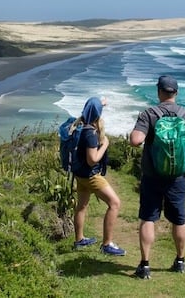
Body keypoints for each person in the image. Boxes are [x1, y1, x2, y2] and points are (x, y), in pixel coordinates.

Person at [129, 75, 185, 279]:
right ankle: (180, 261)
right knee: (179, 220)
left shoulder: (149, 114)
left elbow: (135, 140)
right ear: (176, 93)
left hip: (152, 176)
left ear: (159, 92)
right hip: (177, 178)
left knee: (148, 218)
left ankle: (145, 265)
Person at [72, 96, 126, 256]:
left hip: (79, 174)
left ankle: (79, 240)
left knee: (81, 206)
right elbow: (92, 160)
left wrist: (101, 102)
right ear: (97, 113)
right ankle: (107, 244)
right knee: (114, 203)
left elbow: (93, 106)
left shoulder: (80, 125)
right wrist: (105, 145)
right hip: (90, 176)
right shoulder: (90, 133)